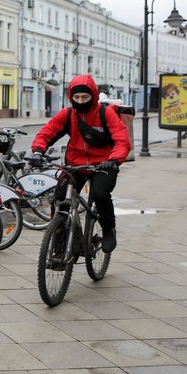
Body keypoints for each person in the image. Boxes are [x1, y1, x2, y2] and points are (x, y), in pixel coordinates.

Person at [28, 75, 131, 253]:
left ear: (93, 96)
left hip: (103, 165)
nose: (81, 101)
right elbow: (48, 132)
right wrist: (38, 150)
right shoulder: (68, 114)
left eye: (85, 97)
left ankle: (108, 229)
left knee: (100, 194)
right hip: (75, 165)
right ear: (71, 97)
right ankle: (61, 244)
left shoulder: (105, 114)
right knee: (60, 199)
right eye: (77, 98)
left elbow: (122, 140)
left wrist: (113, 160)